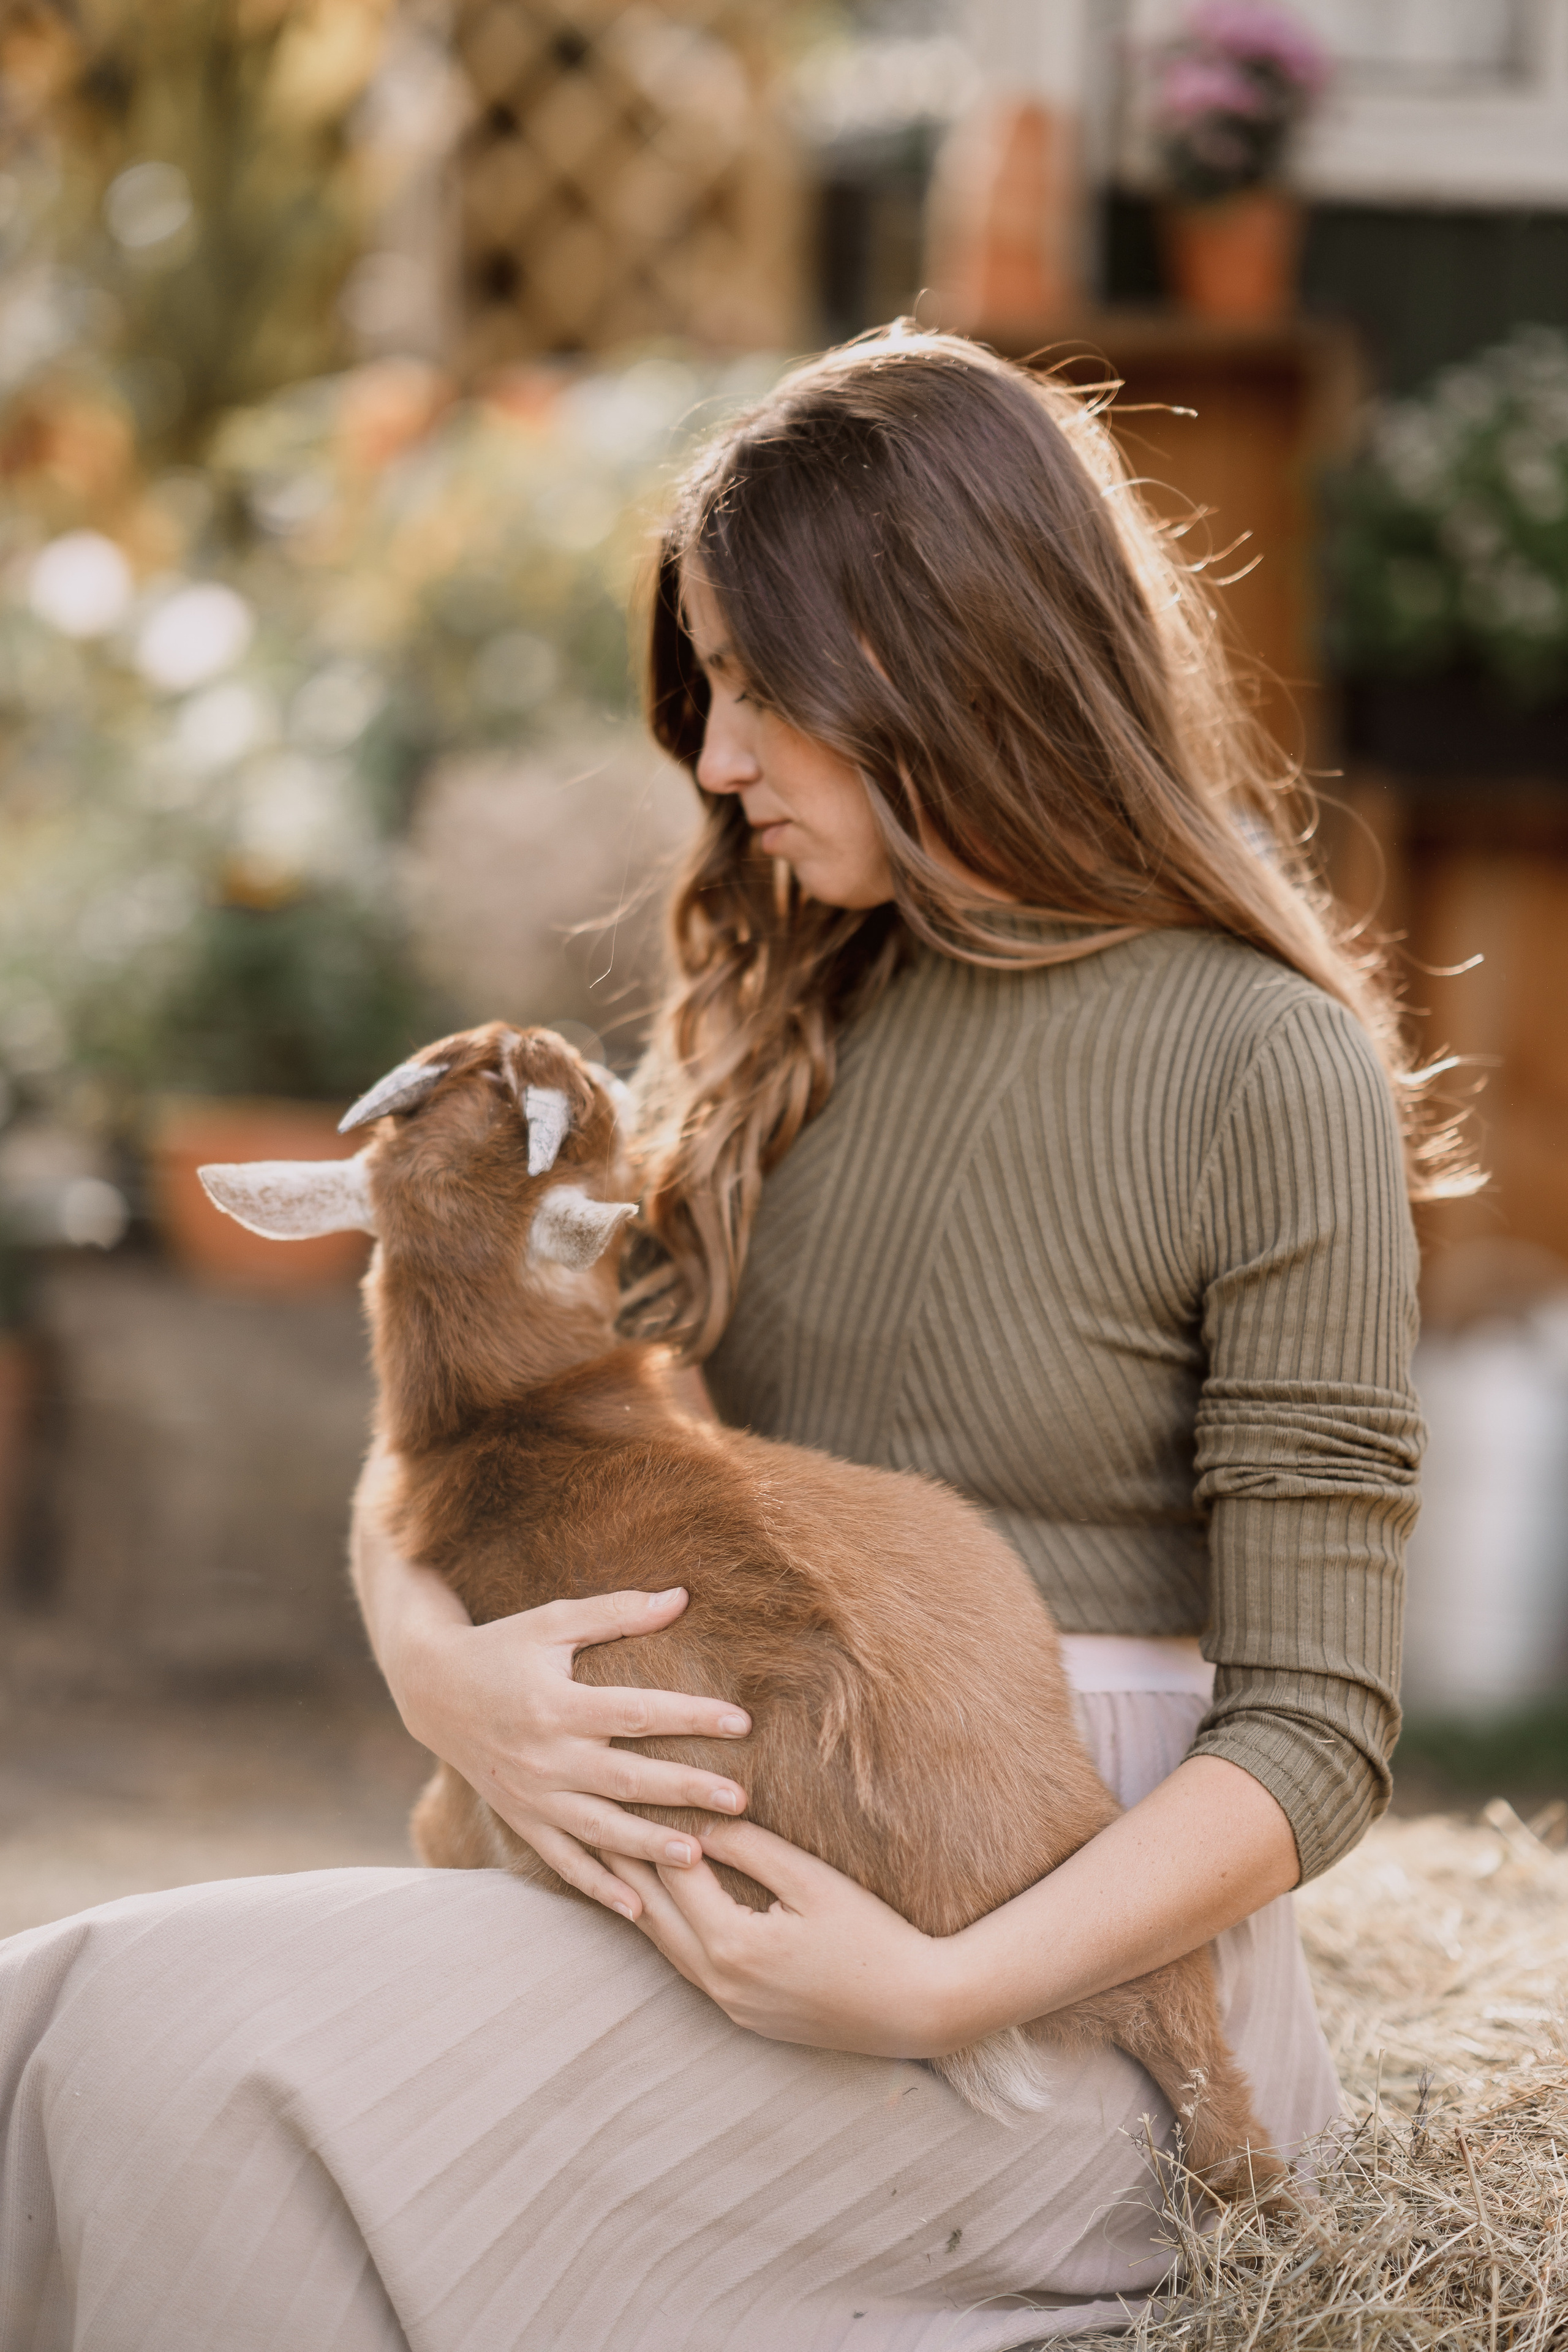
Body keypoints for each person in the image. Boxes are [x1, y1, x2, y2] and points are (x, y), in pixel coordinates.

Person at [0, 330, 1444, 2351]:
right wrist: (446, 1681)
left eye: (761, 689)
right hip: (741, 1869)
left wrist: (933, 1988)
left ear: (952, 660)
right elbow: (476, 1442)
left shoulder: (1263, 1061)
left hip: (1059, 1995)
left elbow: (1317, 1730)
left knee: (166, 2052)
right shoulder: (788, 1020)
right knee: (59, 2026)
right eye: (709, 692)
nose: (717, 762)